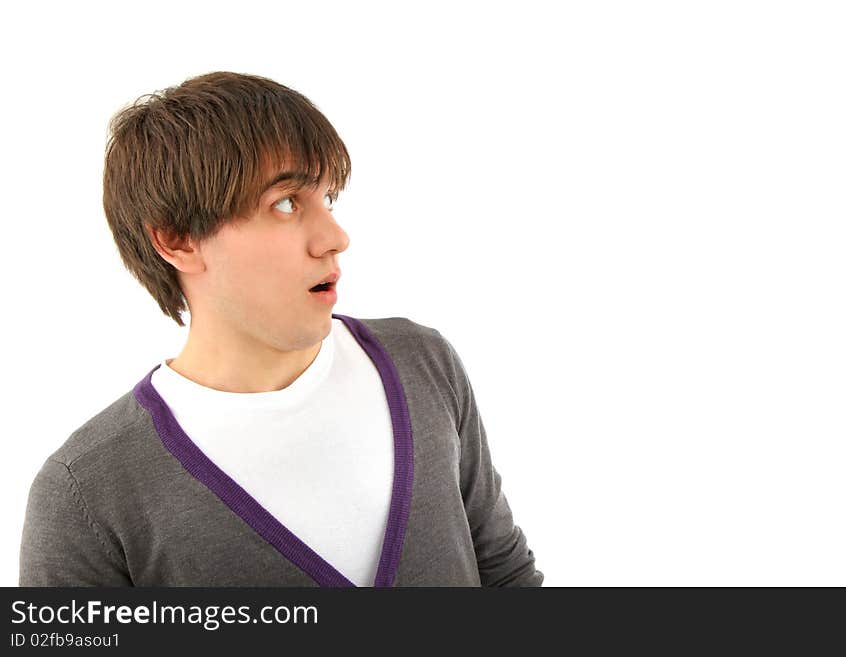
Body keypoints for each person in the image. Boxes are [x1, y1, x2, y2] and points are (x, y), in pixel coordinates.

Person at [18, 71, 543, 587]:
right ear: (177, 240)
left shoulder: (423, 364)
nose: (334, 237)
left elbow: (506, 576)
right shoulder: (86, 491)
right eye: (286, 203)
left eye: (329, 198)